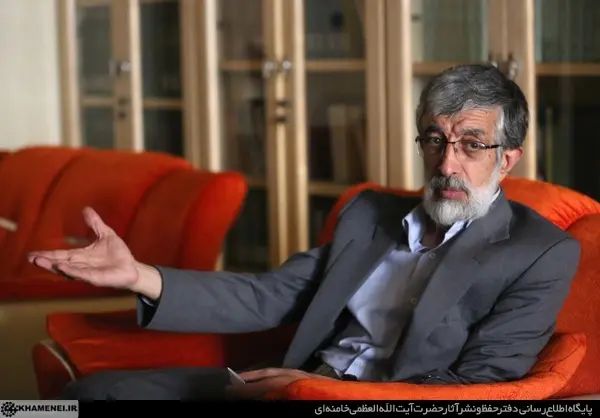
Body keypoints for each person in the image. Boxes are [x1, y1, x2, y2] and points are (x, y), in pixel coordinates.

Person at [28, 64, 581, 400]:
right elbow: (271, 294)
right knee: (87, 396)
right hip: (293, 380)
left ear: (508, 159)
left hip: (352, 398)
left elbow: (482, 389)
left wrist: (320, 392)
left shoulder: (540, 253)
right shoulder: (370, 213)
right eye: (435, 140)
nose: (448, 163)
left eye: (472, 144)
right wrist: (137, 275)